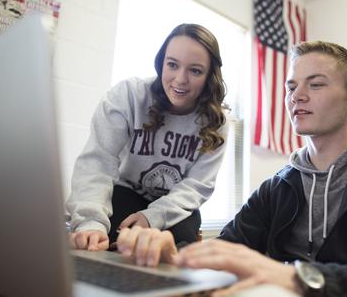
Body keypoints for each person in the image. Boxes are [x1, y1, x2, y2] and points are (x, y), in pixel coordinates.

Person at [115, 41, 347, 297]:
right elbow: (228, 249)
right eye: (292, 87)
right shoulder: (276, 187)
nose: (296, 97)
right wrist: (174, 254)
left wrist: (297, 278)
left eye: (316, 84)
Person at [66, 23, 228, 252]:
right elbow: (98, 161)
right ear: (161, 63)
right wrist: (90, 222)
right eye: (172, 65)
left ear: (209, 75)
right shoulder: (128, 95)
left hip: (175, 206)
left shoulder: (216, 122)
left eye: (195, 70)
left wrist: (153, 216)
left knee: (175, 251)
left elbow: (197, 186)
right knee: (102, 243)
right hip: (124, 194)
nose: (180, 79)